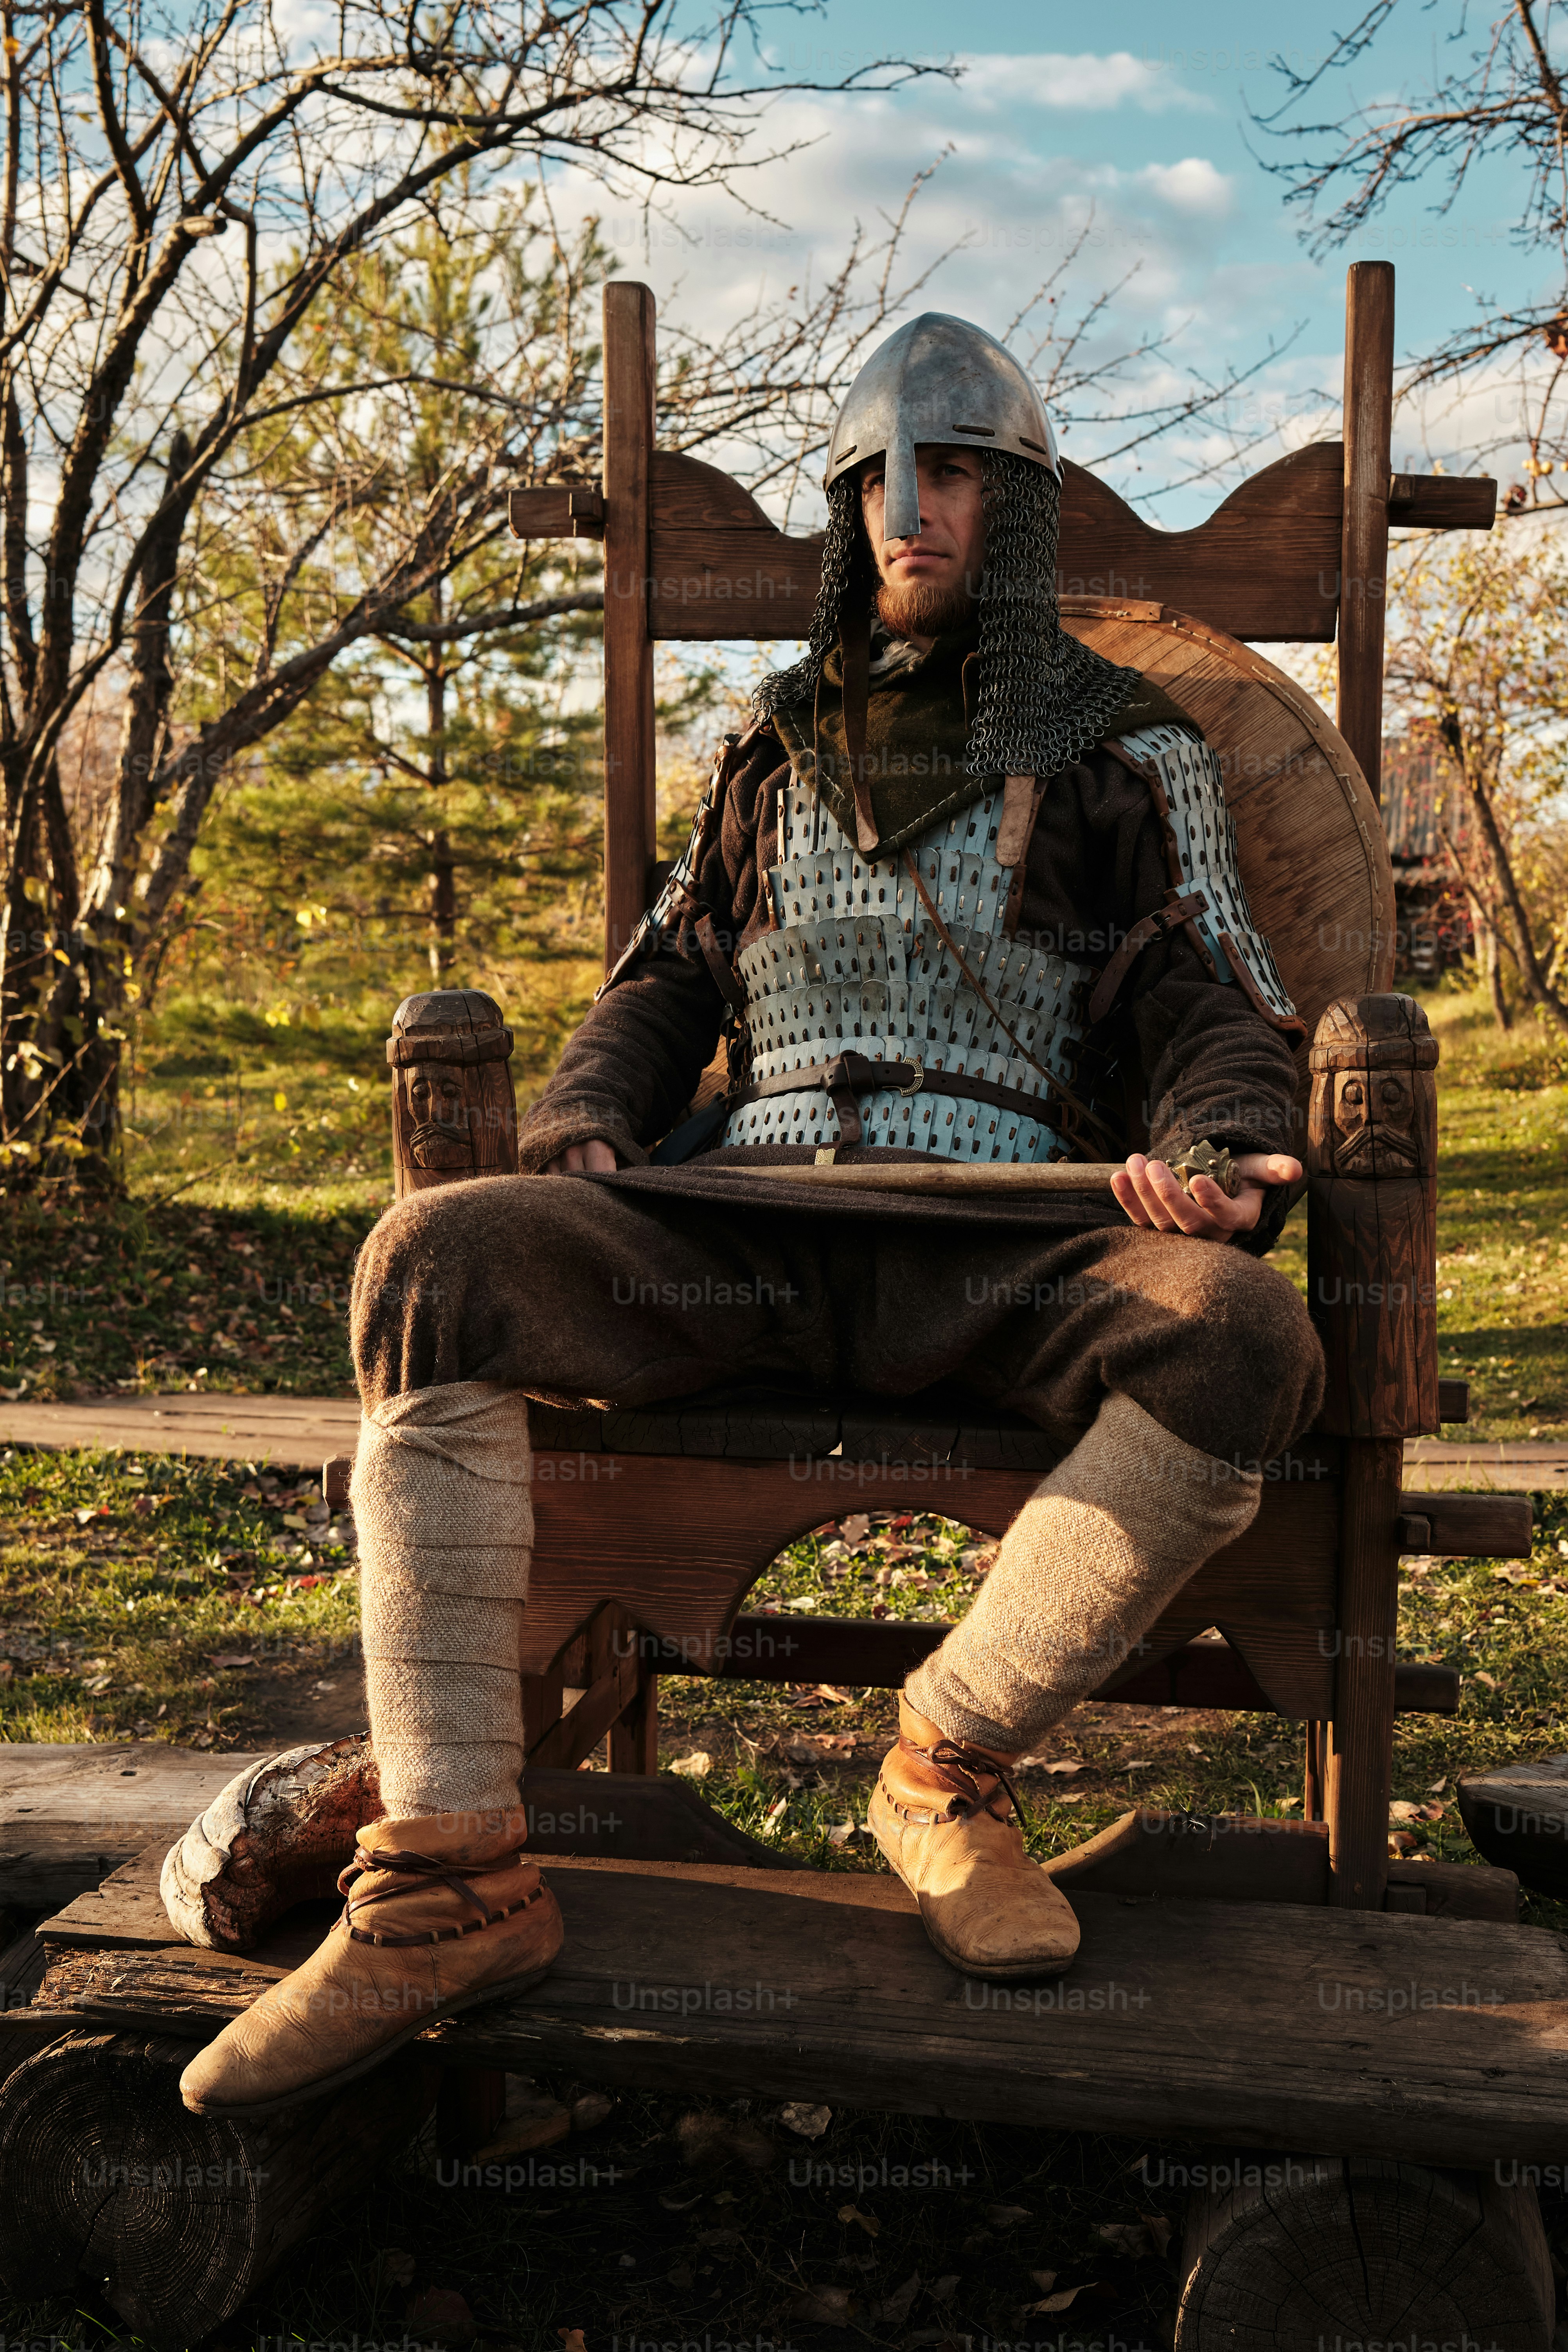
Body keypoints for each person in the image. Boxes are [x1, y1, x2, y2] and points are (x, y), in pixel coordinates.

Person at [177, 313, 1321, 2117]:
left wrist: (1223, 1148)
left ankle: (944, 1772)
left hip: (996, 1247)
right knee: (432, 1263)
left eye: (950, 474)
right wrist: (580, 1124)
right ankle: (450, 1880)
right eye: (878, 477)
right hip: (743, 1225)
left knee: (1241, 1333)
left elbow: (1207, 1003)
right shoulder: (775, 744)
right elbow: (662, 982)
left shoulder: (1123, 750)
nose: (909, 509)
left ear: (1009, 510)